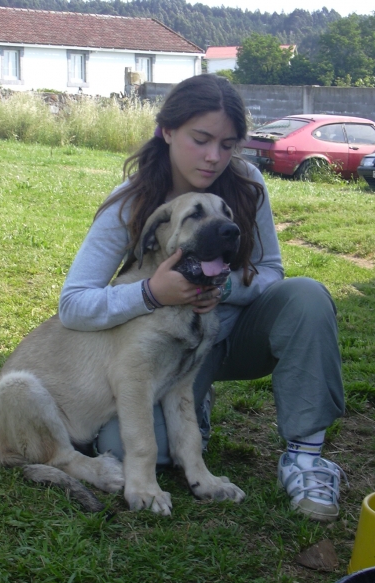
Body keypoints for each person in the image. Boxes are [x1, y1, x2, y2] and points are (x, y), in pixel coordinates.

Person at [59, 74, 346, 522]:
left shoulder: (247, 184)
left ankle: (306, 458)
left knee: (306, 296)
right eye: (201, 139)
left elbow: (272, 272)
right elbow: (73, 304)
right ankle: (193, 403)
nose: (214, 157)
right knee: (130, 450)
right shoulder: (131, 202)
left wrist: (227, 287)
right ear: (167, 130)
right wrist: (151, 293)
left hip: (230, 332)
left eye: (228, 144)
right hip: (161, 348)